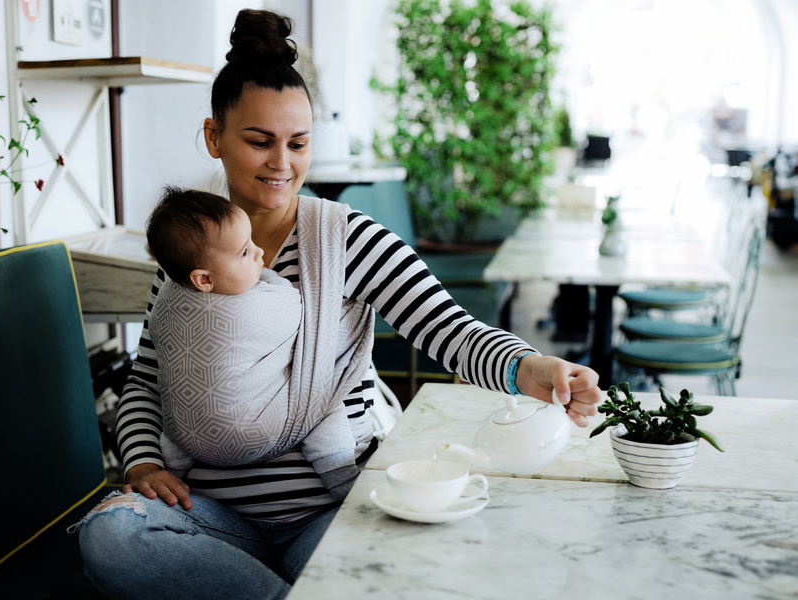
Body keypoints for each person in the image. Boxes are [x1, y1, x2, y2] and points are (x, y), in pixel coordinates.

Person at [78, 9, 601, 600]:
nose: (282, 164)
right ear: (213, 137)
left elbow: (448, 329)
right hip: (213, 517)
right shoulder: (190, 254)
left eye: (298, 144)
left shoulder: (345, 238)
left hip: (326, 509)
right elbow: (148, 383)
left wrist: (531, 369)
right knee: (110, 536)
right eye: (259, 142)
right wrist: (143, 465)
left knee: (393, 562)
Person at [145, 186, 363, 500]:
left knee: (175, 422)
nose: (259, 252)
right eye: (246, 252)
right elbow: (295, 307)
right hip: (249, 435)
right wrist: (270, 277)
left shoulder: (169, 297)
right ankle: (342, 479)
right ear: (204, 280)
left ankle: (174, 476)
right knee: (324, 403)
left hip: (182, 439)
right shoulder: (255, 309)